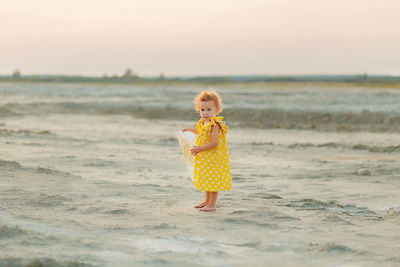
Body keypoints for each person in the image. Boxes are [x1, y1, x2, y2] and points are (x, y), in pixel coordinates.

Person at [182, 89, 232, 211]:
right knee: (207, 178)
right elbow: (200, 132)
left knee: (213, 179)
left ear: (217, 109)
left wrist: (199, 148)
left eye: (209, 110)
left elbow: (214, 143)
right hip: (206, 156)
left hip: (214, 157)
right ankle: (206, 200)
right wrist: (189, 130)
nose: (205, 113)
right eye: (202, 110)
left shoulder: (215, 124)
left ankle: (212, 204)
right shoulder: (204, 123)